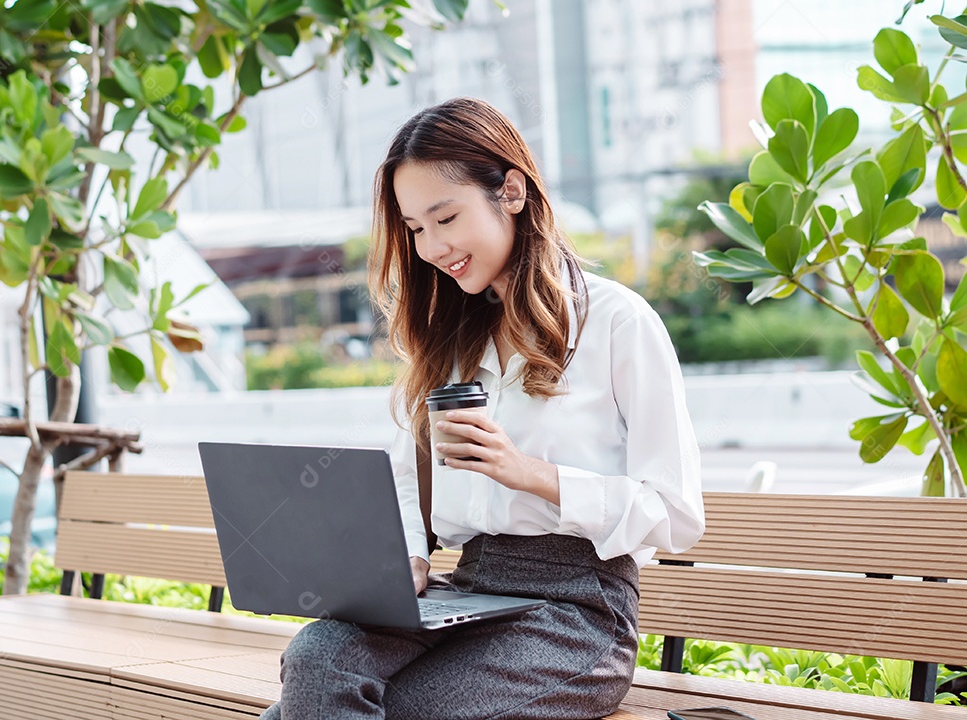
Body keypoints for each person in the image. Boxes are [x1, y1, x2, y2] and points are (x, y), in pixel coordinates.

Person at [259, 97, 704, 720]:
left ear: (512, 192)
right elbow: (406, 487)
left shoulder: (616, 321)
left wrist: (530, 474)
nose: (432, 247)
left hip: (577, 611)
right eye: (415, 228)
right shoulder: (451, 339)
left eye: (445, 217)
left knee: (381, 709)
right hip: (468, 591)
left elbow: (676, 513)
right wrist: (406, 561)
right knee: (318, 659)